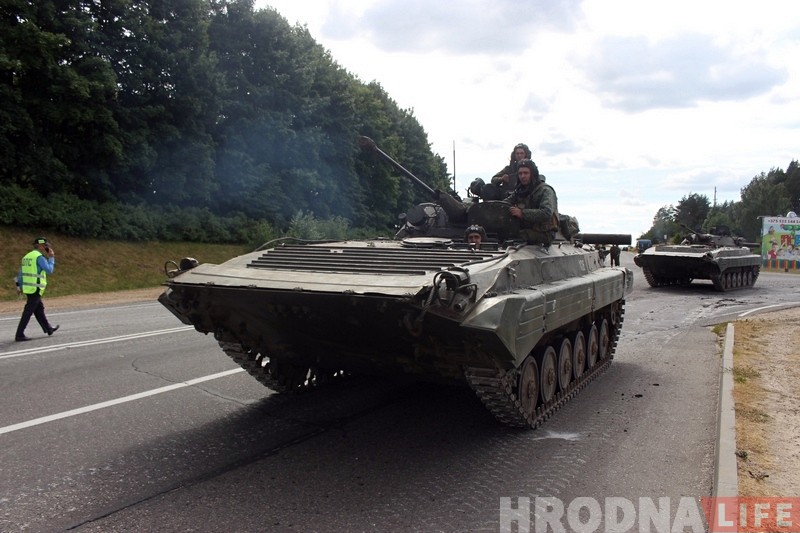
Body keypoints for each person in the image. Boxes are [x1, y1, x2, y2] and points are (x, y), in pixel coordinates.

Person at [15, 237, 59, 341]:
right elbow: (49, 270)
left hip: (28, 288)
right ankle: (19, 334)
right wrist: (51, 258)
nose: (47, 247)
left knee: (39, 309)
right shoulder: (39, 257)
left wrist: (19, 286)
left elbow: (21, 274)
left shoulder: (26, 257)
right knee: (28, 311)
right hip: (36, 288)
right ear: (40, 246)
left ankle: (48, 329)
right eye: (46, 245)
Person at [507, 159, 559, 245]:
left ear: (533, 174)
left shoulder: (545, 190)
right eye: (520, 173)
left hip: (544, 233)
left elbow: (546, 212)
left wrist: (522, 213)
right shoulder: (520, 191)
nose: (522, 176)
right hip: (526, 229)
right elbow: (504, 204)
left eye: (526, 173)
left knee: (515, 236)